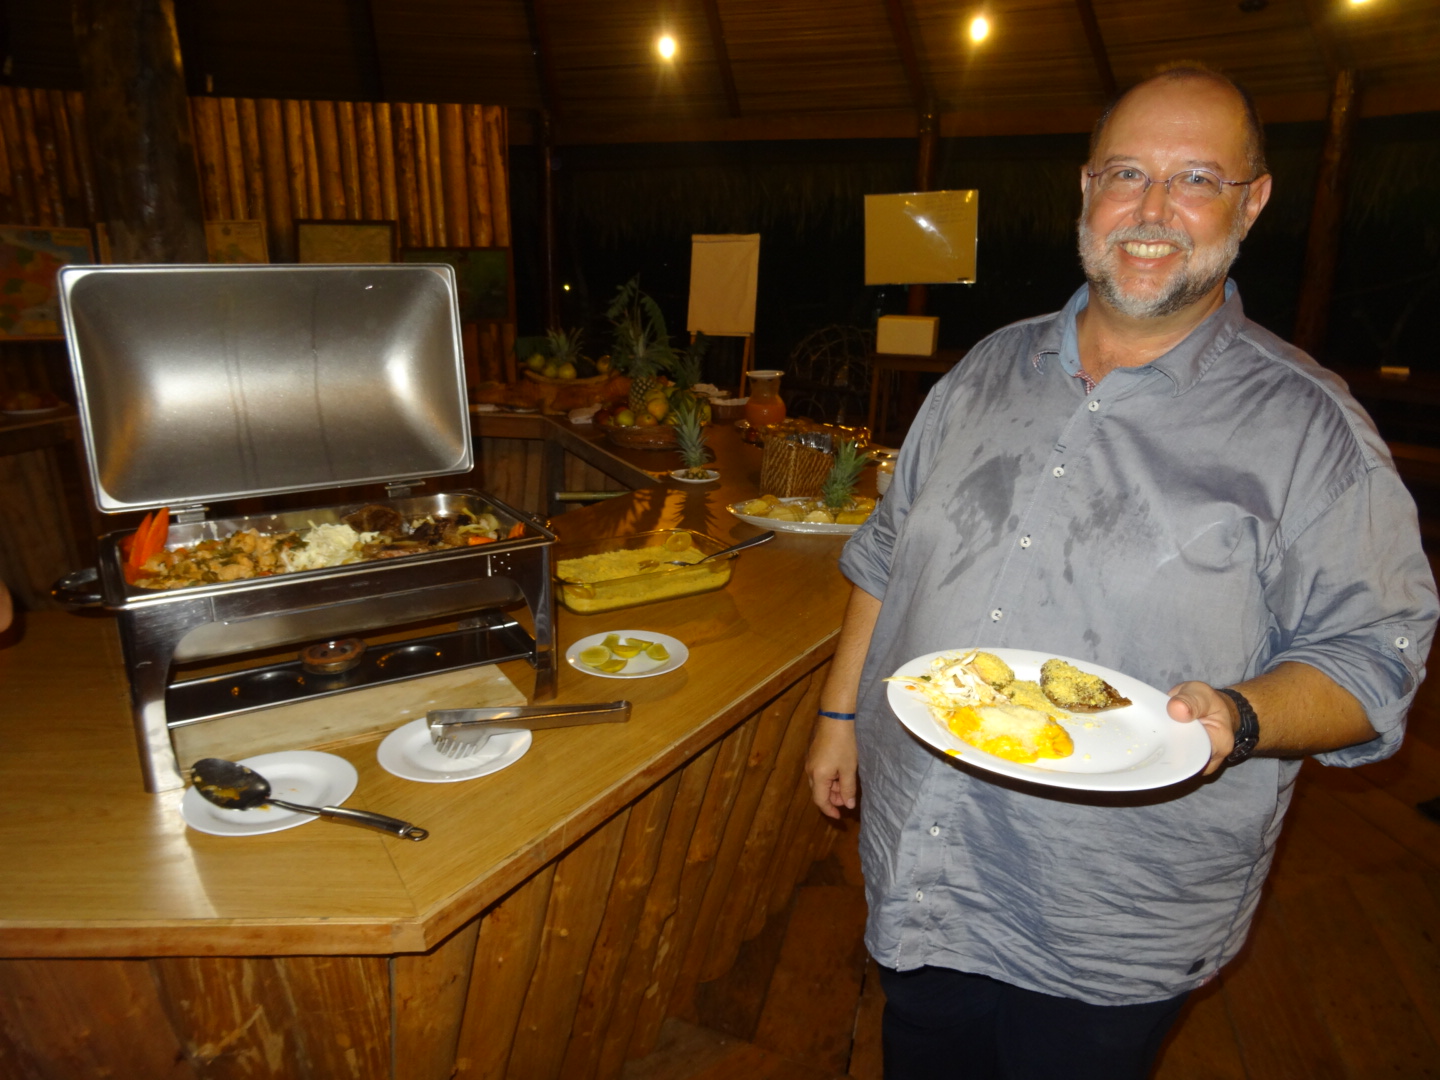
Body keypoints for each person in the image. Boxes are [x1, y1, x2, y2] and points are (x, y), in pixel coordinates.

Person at [806, 65, 1438, 1080]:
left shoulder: (1313, 430)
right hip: (922, 857)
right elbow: (885, 551)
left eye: (1196, 180)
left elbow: (1376, 658)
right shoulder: (984, 371)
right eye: (1127, 173)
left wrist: (1241, 716)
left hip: (1108, 912)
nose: (1152, 209)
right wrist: (839, 718)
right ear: (1087, 189)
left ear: (1252, 203)